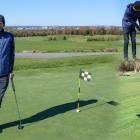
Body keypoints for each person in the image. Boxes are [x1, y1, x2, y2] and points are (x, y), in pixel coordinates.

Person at [0, 15, 15, 108]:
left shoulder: (9, 37)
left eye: (0, 23)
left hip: (4, 75)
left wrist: (11, 71)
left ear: (3, 24)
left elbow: (11, 55)